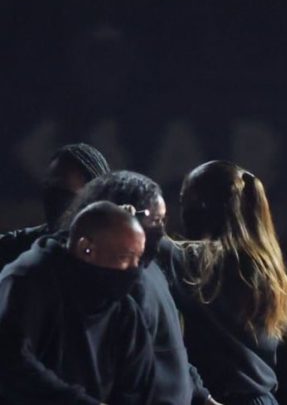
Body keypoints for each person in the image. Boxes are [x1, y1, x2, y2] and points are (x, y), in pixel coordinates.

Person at [158, 160, 287, 405]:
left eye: (184, 199)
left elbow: (146, 236)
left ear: (202, 206)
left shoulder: (186, 261)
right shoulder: (270, 273)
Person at [65, 170, 219, 405]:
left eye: (163, 220)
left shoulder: (153, 270)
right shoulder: (117, 284)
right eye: (155, 221)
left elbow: (170, 347)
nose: (161, 231)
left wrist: (202, 394)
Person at [0, 200, 156, 404]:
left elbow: (137, 386)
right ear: (86, 249)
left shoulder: (125, 311)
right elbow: (11, 364)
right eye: (125, 257)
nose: (134, 269)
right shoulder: (27, 282)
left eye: (138, 258)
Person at [0, 142, 110, 270]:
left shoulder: (117, 252)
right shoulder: (25, 244)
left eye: (64, 194)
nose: (54, 201)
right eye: (50, 190)